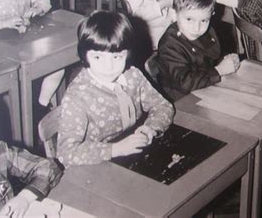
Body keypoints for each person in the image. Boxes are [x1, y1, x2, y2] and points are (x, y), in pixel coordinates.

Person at [56, 10, 174, 167]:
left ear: (127, 54)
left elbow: (163, 105)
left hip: (130, 156)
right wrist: (115, 149)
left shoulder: (133, 75)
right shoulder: (78, 96)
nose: (108, 66)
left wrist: (150, 128)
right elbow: (66, 153)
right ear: (84, 56)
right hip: (95, 165)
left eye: (117, 57)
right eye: (98, 57)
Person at [157, 0, 240, 102]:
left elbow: (213, 55)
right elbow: (185, 83)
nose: (197, 28)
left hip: (205, 90)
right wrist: (219, 71)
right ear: (174, 15)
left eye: (204, 21)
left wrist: (227, 60)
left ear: (211, 16)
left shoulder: (206, 32)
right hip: (181, 101)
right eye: (189, 19)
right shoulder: (170, 44)